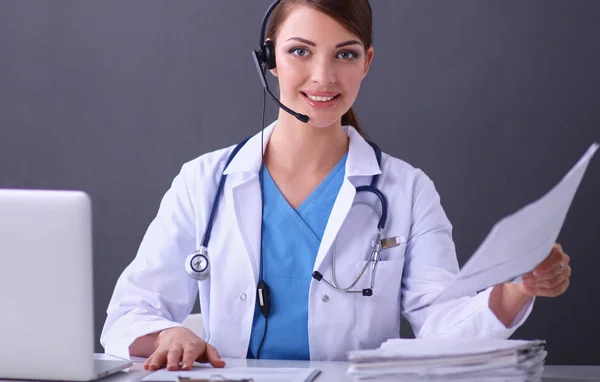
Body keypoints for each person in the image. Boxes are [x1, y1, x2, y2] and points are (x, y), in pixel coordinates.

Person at [100, 0, 572, 371]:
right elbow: (128, 314)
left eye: (344, 54)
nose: (323, 77)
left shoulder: (407, 191)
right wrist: (169, 335)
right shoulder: (203, 182)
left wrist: (519, 290)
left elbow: (440, 327)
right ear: (270, 58)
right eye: (300, 51)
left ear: (366, 62)